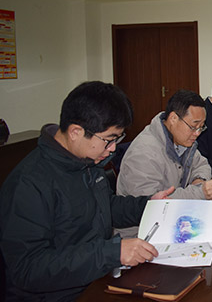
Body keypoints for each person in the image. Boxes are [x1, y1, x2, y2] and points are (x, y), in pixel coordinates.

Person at [0, 81, 174, 300]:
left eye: (117, 139)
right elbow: (28, 269)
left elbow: (106, 207)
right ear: (75, 131)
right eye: (109, 140)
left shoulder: (87, 162)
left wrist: (149, 205)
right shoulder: (28, 184)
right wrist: (111, 253)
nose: (113, 148)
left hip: (96, 278)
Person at [117, 90, 212, 213]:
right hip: (146, 222)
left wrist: (199, 180)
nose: (197, 133)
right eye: (194, 126)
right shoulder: (143, 153)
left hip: (174, 214)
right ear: (173, 118)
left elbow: (202, 164)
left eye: (201, 127)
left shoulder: (182, 140)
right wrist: (199, 192)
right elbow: (151, 205)